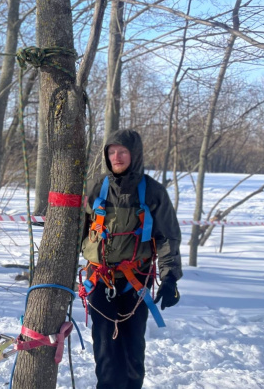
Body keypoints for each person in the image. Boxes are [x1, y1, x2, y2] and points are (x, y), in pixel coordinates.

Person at [80, 129, 182, 389]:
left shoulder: (153, 192)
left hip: (136, 281)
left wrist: (170, 279)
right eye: (111, 151)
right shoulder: (94, 187)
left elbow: (168, 237)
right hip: (100, 281)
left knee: (133, 354)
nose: (117, 156)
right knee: (106, 356)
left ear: (134, 155)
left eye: (123, 151)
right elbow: (76, 229)